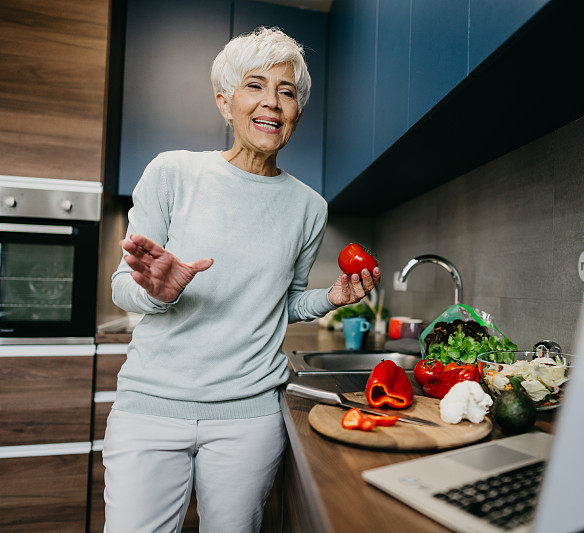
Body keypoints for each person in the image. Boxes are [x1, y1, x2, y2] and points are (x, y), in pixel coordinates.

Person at [103, 27, 379, 532]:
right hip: (151, 409)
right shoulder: (172, 173)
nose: (271, 103)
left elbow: (285, 302)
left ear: (297, 111)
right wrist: (158, 293)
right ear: (224, 102)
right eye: (255, 85)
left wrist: (330, 298)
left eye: (287, 91)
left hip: (247, 418)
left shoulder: (309, 208)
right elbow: (123, 285)